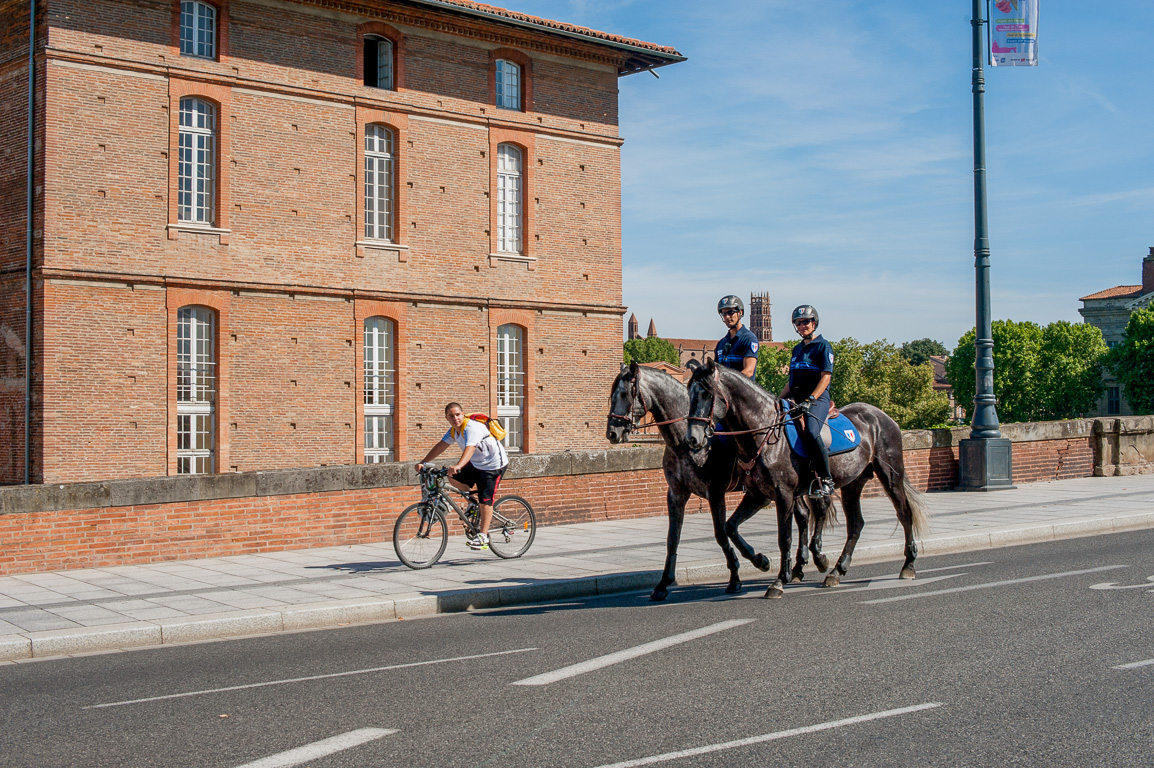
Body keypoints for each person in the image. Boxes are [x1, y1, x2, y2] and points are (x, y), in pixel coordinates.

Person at [417, 402, 509, 550]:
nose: (455, 418)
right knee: (452, 477)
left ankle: (483, 536)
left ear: (462, 414)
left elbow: (470, 448)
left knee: (485, 499)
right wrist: (424, 462)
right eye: (451, 416)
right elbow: (441, 445)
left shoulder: (472, 427)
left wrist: (459, 465)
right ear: (446, 417)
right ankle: (472, 502)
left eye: (457, 414)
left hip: (494, 464)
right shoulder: (454, 431)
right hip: (477, 463)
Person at [780, 305, 835, 498]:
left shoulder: (823, 346)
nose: (802, 325)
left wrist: (811, 399)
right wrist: (777, 400)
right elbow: (791, 381)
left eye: (806, 322)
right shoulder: (796, 349)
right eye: (798, 322)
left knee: (811, 431)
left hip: (817, 399)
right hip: (796, 399)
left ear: (814, 323)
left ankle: (827, 480)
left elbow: (826, 377)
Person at [714, 295, 759, 378]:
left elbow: (749, 371)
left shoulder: (749, 339)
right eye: (724, 314)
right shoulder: (721, 344)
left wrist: (727, 383)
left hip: (742, 390)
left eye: (731, 312)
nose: (727, 317)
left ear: (740, 313)